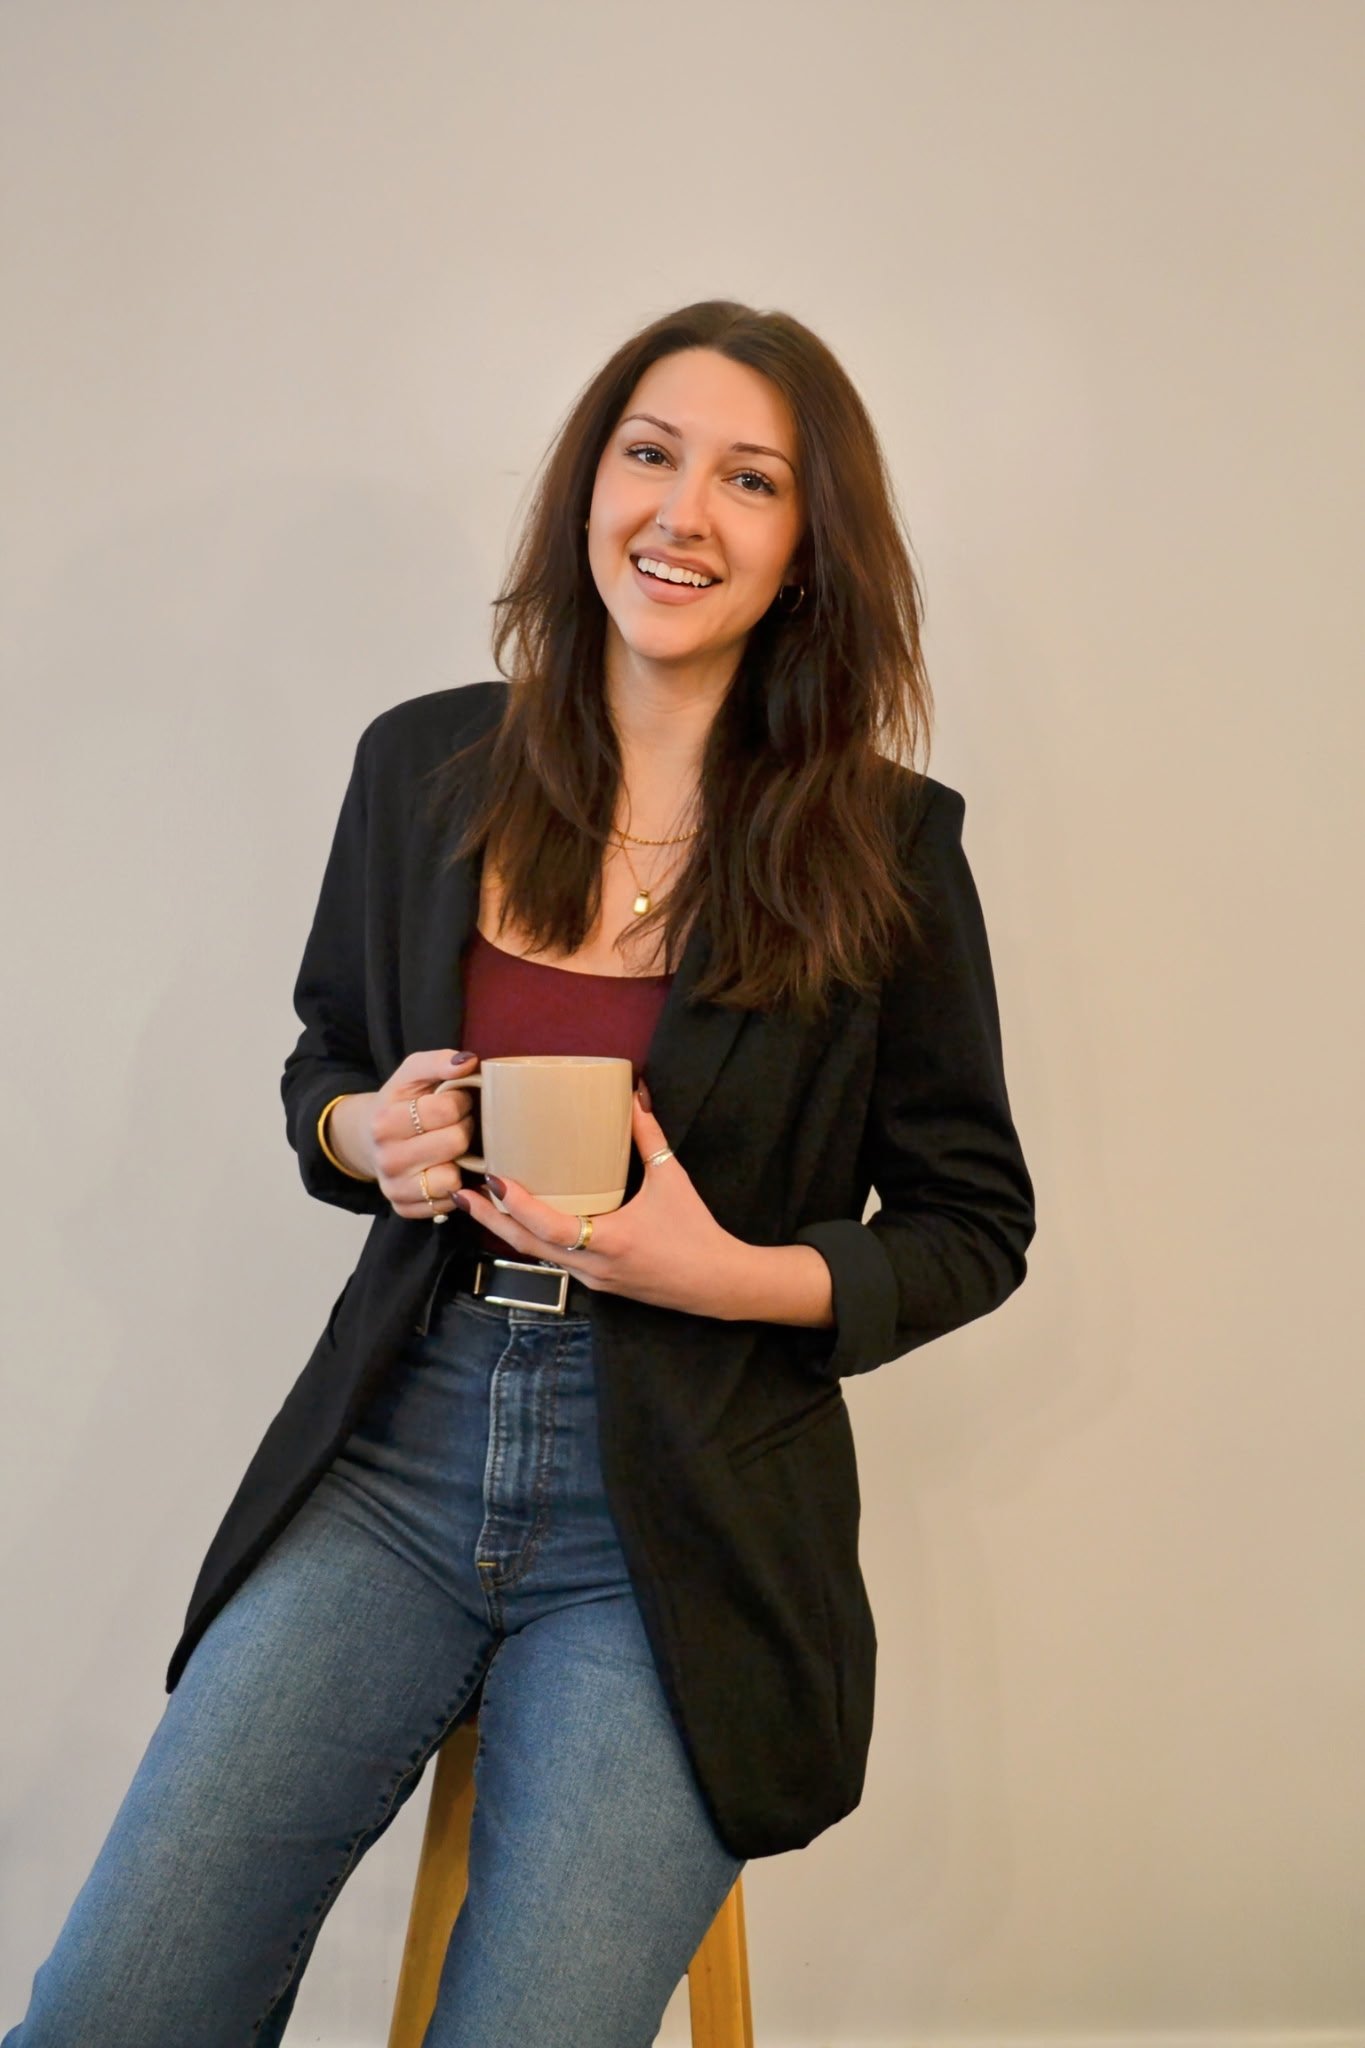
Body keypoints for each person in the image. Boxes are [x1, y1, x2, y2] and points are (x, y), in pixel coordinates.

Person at [5, 299, 1036, 2047]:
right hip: (397, 1452)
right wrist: (364, 1133)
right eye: (649, 452)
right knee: (111, 2010)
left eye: (750, 479)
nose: (680, 512)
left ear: (807, 548)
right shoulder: (423, 767)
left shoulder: (889, 849)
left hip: (684, 1512)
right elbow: (323, 1065)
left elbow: (971, 1227)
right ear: (588, 485)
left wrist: (731, 1274)